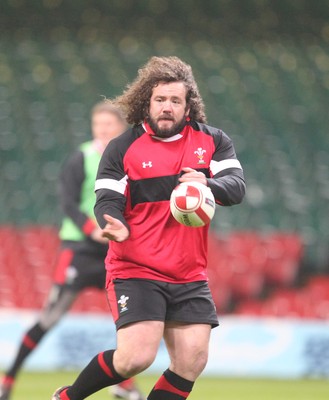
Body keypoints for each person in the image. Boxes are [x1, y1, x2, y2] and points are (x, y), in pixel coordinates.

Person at [52, 56, 246, 400]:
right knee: (135, 358)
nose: (167, 107)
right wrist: (112, 223)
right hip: (136, 268)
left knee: (192, 359)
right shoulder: (122, 147)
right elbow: (106, 200)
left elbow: (236, 186)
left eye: (175, 100)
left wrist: (206, 184)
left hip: (189, 273)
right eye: (160, 100)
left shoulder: (212, 141)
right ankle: (66, 398)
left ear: (189, 107)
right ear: (146, 102)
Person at [0, 101, 145, 400]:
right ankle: (8, 379)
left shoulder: (130, 159)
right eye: (98, 125)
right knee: (49, 318)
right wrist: (92, 230)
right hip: (79, 248)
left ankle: (124, 385)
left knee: (129, 319)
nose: (103, 130)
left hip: (113, 252)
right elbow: (68, 203)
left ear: (120, 128)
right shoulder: (81, 157)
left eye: (109, 125)